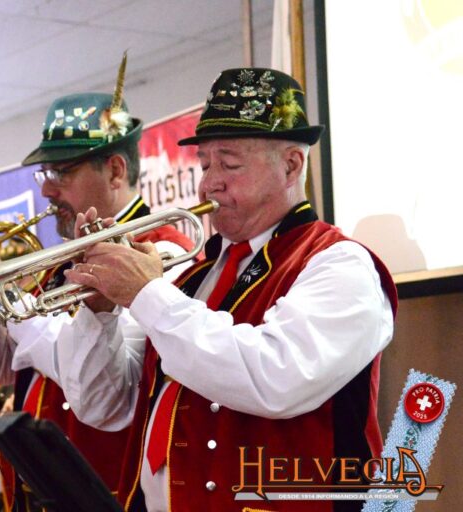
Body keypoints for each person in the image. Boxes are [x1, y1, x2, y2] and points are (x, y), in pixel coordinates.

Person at [59, 68, 398, 512]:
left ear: (291, 166)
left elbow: (276, 378)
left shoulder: (340, 263)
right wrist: (99, 313)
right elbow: (103, 405)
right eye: (204, 164)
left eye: (229, 163)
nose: (208, 183)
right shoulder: (193, 277)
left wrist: (146, 293)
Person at [0, 70, 196, 511]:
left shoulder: (162, 249)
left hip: (106, 492)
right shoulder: (56, 262)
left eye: (62, 172)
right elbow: (0, 366)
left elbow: (97, 383)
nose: (48, 190)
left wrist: (9, 304)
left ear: (115, 170)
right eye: (45, 174)